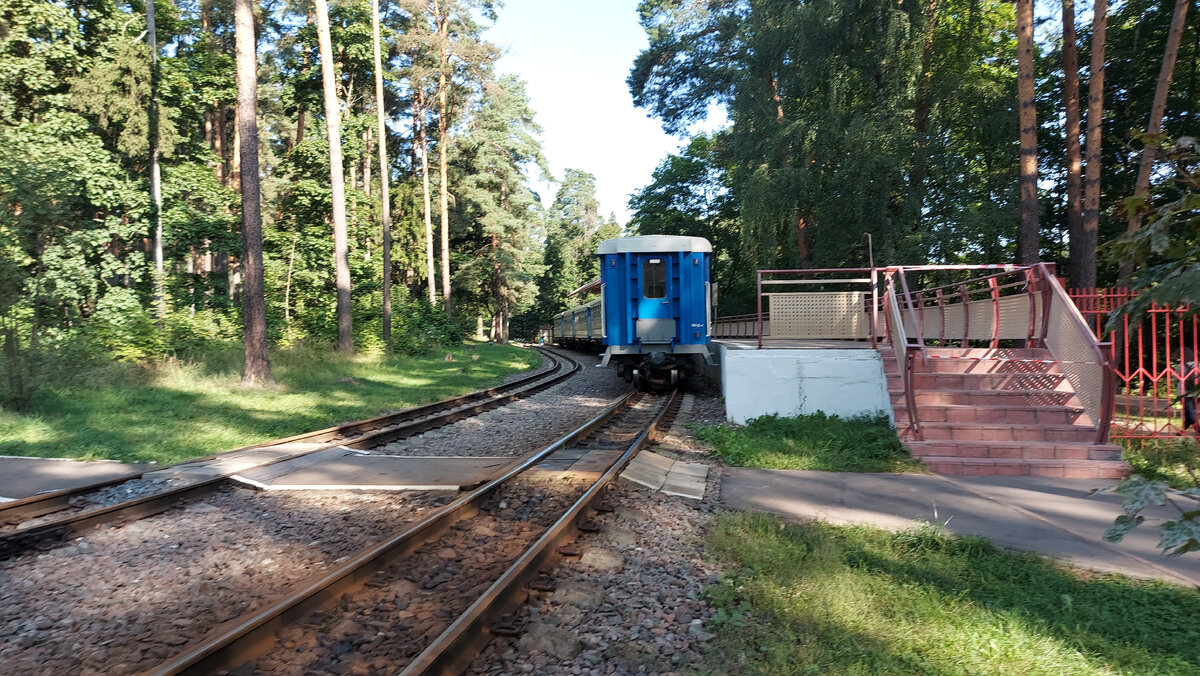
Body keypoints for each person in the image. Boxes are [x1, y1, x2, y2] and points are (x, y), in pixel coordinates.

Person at [1181, 346, 1198, 435]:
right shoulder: (1198, 365)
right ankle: (1183, 430)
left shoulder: (1180, 366)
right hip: (1196, 392)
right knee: (1188, 412)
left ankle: (1198, 429)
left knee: (1190, 412)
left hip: (1185, 393)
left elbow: (1175, 379)